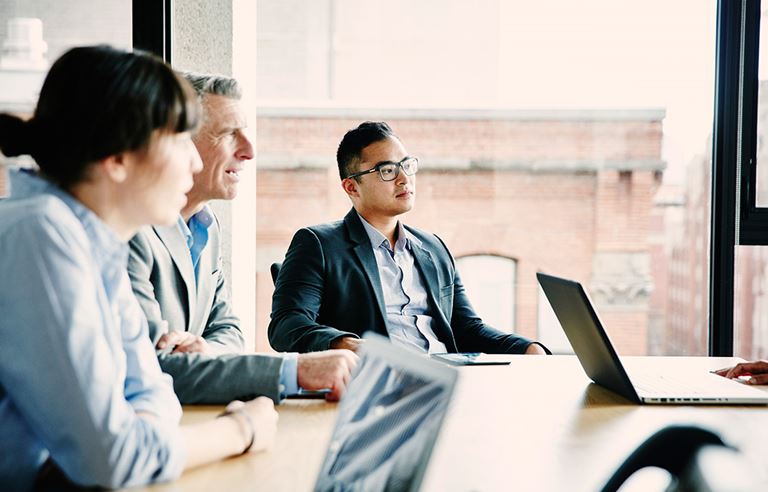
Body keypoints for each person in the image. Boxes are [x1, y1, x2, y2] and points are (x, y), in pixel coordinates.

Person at [0, 46, 277, 491]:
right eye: (179, 140)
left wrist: (133, 438)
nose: (192, 161)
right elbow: (115, 460)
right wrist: (241, 430)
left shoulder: (98, 243)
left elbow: (158, 397)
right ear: (117, 158)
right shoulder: (41, 234)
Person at [127, 72, 357, 404]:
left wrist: (205, 352)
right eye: (228, 134)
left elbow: (230, 331)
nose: (249, 150)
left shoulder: (207, 226)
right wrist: (294, 370)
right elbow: (150, 371)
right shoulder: (130, 230)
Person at [269, 121, 549, 355]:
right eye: (387, 170)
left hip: (447, 377)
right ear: (352, 186)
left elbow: (466, 329)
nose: (404, 178)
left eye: (406, 165)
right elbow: (286, 325)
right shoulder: (318, 244)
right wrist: (347, 345)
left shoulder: (433, 248)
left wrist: (527, 348)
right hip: (381, 384)